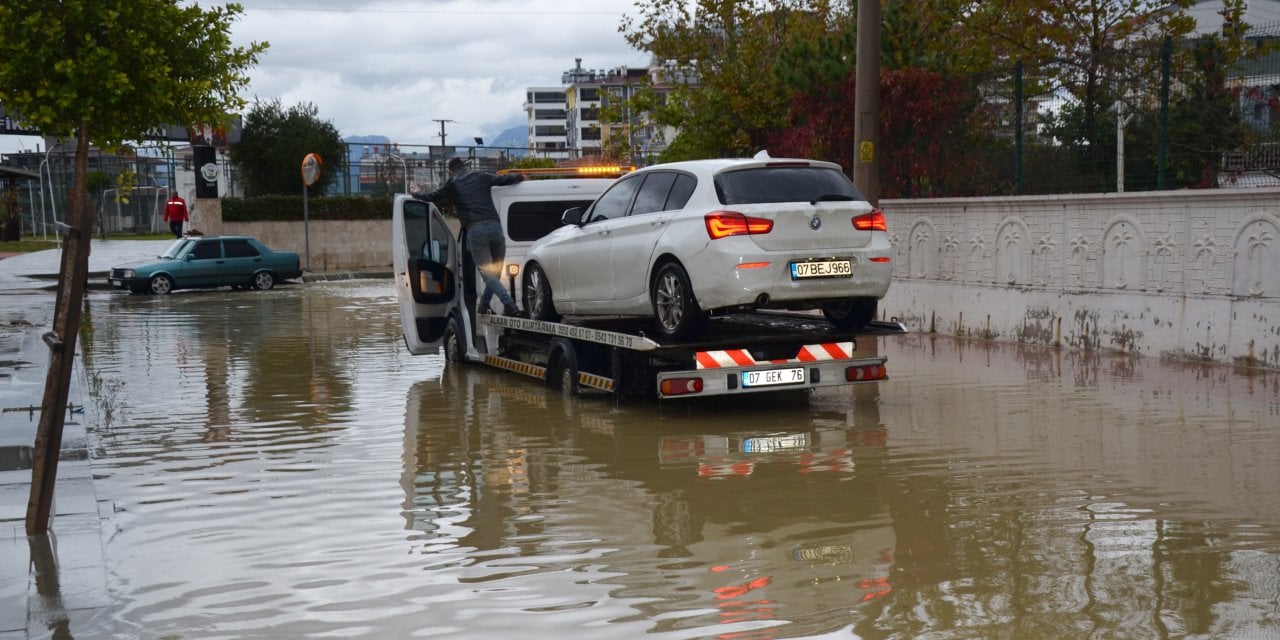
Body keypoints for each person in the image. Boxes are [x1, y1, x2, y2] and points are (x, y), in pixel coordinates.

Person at [410, 158, 525, 316]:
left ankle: (509, 304)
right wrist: (521, 176)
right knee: (496, 271)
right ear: (464, 167)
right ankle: (484, 304)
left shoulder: (452, 183)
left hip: (476, 230)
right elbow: (505, 179)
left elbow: (431, 196)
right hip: (495, 227)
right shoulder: (480, 175)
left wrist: (416, 193)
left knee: (488, 273)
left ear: (451, 170)